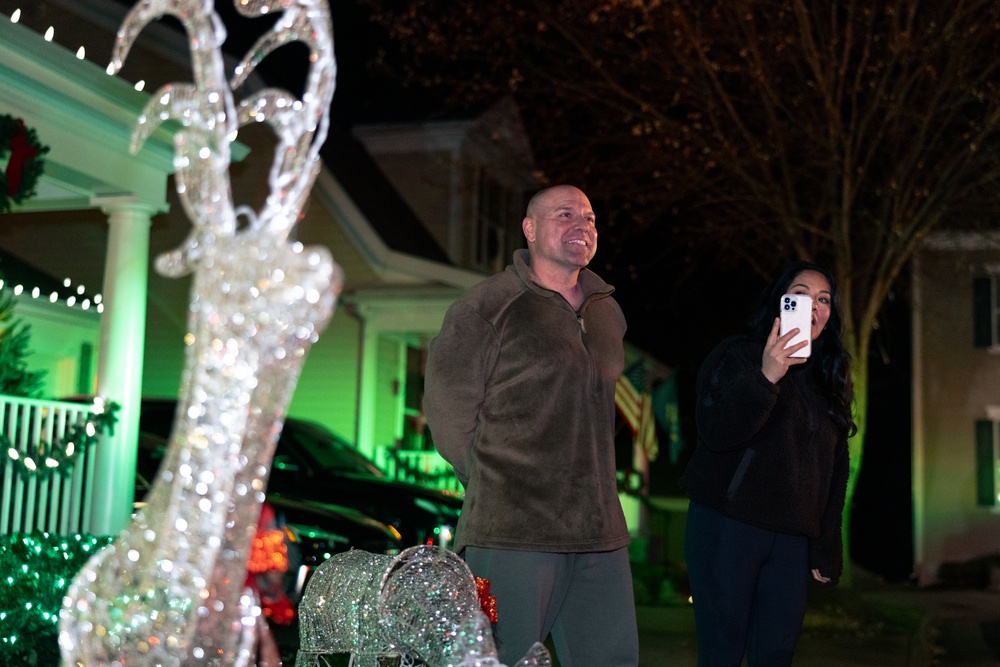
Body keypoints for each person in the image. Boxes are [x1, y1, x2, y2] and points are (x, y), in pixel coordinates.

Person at [423, 185, 639, 667]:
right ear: (530, 228)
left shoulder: (607, 312)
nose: (582, 224)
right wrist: (495, 482)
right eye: (566, 214)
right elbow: (447, 414)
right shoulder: (487, 307)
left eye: (590, 217)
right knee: (499, 660)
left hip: (600, 532)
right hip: (511, 534)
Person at [680, 260, 855, 667]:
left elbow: (834, 475)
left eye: (824, 299)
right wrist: (766, 376)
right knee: (722, 654)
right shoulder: (738, 355)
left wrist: (826, 547)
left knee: (776, 655)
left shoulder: (828, 383)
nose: (813, 305)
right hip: (727, 528)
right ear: (781, 301)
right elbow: (716, 431)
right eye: (801, 293)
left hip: (791, 542)